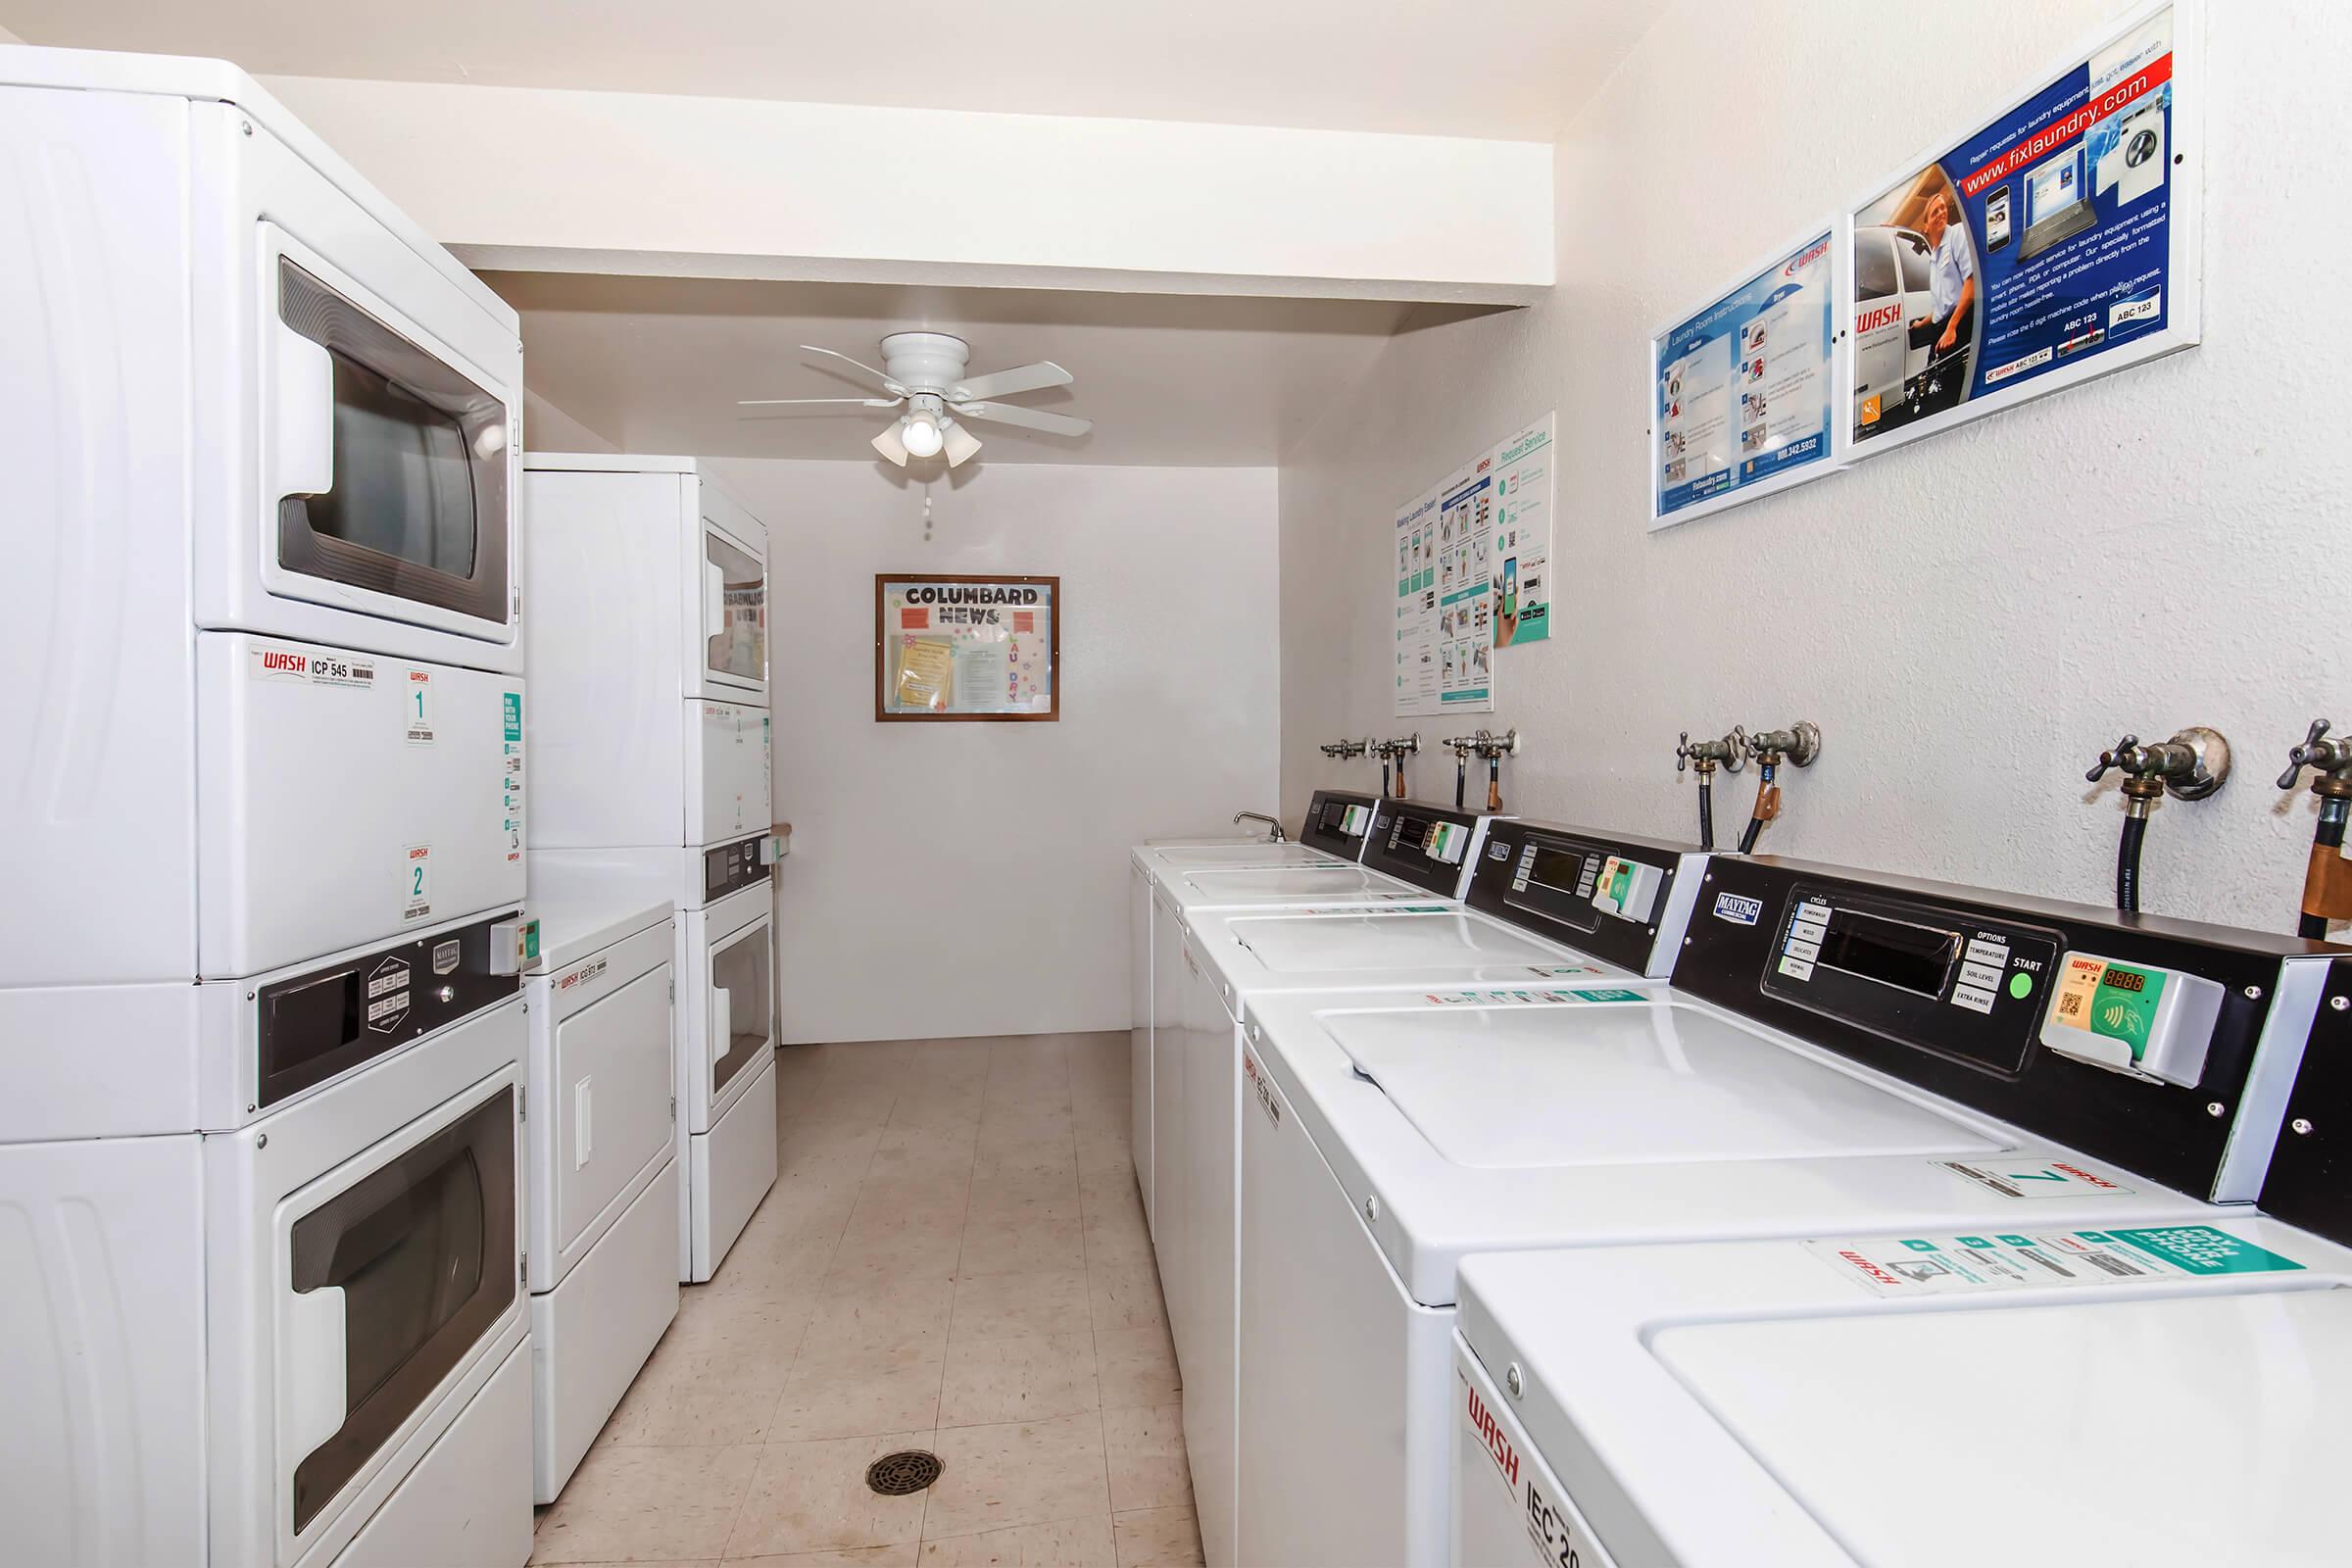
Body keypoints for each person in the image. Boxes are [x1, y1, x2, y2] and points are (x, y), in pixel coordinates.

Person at [1915, 190, 1975, 412]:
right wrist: (1922, 323)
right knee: (1931, 377)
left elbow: (1970, 283)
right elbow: (1944, 302)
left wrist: (1952, 327)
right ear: (1926, 226)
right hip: (1943, 325)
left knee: (1950, 390)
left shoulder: (1957, 235)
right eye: (1934, 212)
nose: (1941, 213)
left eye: (1942, 208)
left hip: (1961, 320)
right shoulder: (1933, 257)